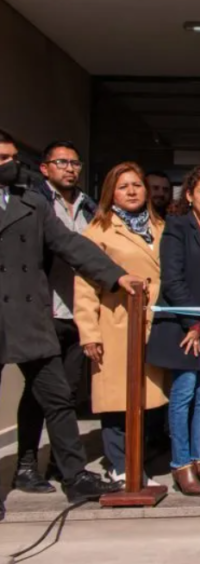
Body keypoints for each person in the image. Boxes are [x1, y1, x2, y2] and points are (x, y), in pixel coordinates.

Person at [0, 131, 135, 510]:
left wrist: (116, 274)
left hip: (32, 316)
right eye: (2, 158)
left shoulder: (32, 202)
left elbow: (71, 244)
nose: (11, 164)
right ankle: (26, 467)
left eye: (13, 157)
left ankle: (74, 476)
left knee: (58, 397)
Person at [74, 162, 168, 487]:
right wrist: (89, 333)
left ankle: (136, 463)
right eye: (123, 186)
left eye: (137, 185)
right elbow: (85, 288)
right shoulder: (98, 230)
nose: (132, 191)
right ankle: (120, 466)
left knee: (144, 401)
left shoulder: (160, 226)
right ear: (111, 192)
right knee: (116, 401)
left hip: (154, 324)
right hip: (116, 325)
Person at [17, 140, 96, 488]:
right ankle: (26, 462)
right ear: (44, 168)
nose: (70, 168)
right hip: (41, 312)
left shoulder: (89, 207)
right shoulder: (33, 203)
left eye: (75, 163)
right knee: (39, 391)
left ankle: (61, 464)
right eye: (62, 162)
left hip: (76, 314)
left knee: (67, 392)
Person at [147, 165, 200, 496]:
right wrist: (192, 322)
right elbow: (173, 280)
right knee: (183, 394)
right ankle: (181, 464)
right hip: (188, 327)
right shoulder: (177, 228)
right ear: (191, 195)